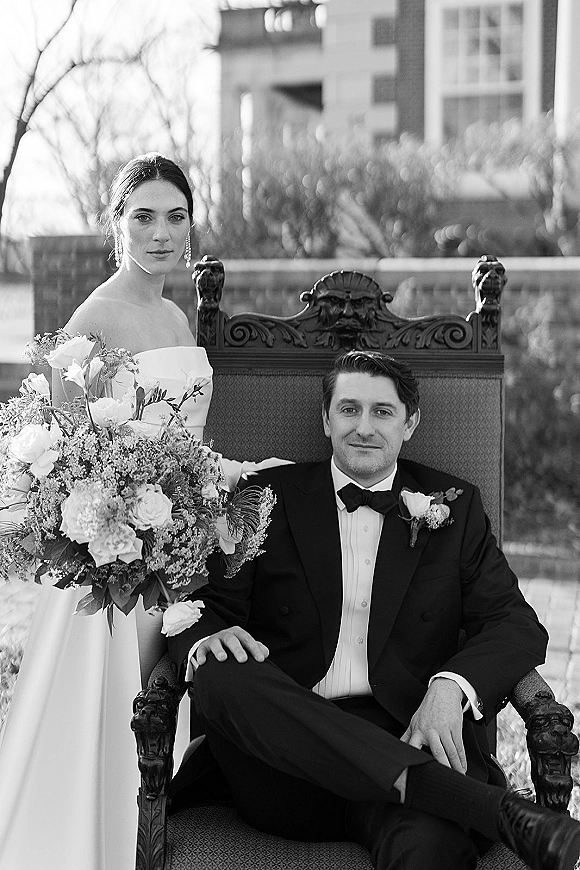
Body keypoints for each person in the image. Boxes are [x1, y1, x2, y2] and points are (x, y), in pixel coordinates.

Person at [167, 350, 580, 870]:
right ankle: (493, 810)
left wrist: (451, 685)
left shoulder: (454, 508)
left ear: (411, 424)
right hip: (285, 765)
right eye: (349, 409)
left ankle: (442, 793)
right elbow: (207, 605)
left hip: (409, 737)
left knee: (428, 848)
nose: (364, 427)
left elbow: (516, 624)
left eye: (382, 412)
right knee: (219, 671)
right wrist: (202, 636)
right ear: (326, 419)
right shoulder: (264, 497)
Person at [0, 152, 285, 870]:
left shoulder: (173, 313)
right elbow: (66, 465)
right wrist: (125, 531)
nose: (162, 233)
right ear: (117, 222)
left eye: (177, 216)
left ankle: (150, 846)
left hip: (174, 556)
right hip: (113, 567)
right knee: (113, 711)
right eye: (144, 217)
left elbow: (183, 443)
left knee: (158, 714)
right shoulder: (93, 318)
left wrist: (231, 482)